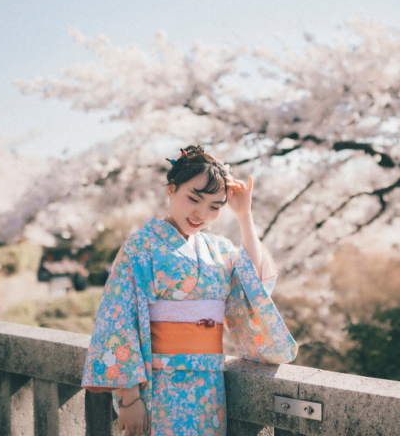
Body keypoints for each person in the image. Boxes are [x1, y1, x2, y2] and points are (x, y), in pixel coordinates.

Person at [82, 145, 297, 436]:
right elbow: (120, 319)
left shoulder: (218, 249)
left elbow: (254, 285)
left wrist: (244, 216)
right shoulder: (141, 246)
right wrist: (129, 398)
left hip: (209, 384)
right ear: (170, 190)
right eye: (193, 199)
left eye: (214, 206)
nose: (201, 214)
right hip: (158, 385)